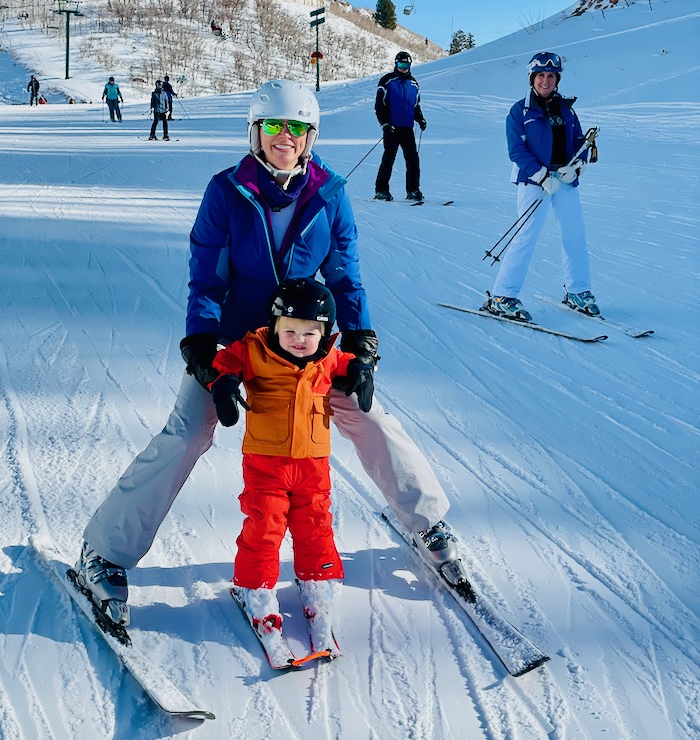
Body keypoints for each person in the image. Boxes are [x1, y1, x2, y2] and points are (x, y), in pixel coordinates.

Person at [74, 78, 459, 629]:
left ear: (311, 136)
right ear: (256, 131)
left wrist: (360, 344)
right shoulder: (227, 191)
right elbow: (205, 278)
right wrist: (205, 350)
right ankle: (104, 552)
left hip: (305, 344)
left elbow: (345, 275)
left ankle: (426, 522)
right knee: (186, 433)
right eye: (275, 126)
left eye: (298, 128)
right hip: (236, 343)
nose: (286, 137)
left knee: (365, 413)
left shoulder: (330, 193)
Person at [211, 279, 369, 649]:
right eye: (290, 331)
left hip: (313, 465)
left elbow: (345, 361)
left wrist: (359, 370)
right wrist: (224, 381)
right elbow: (227, 359)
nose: (299, 339)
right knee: (265, 526)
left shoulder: (328, 357)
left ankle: (317, 585)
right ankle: (256, 590)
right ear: (274, 327)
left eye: (310, 332)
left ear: (325, 332)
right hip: (266, 465)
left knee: (316, 526)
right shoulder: (255, 350)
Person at [482, 51, 599, 322]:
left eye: (551, 75)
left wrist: (576, 167)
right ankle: (502, 295)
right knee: (526, 236)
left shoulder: (567, 110)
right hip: (534, 182)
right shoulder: (519, 111)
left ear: (557, 79)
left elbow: (579, 141)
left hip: (565, 180)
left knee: (575, 235)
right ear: (532, 78)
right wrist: (541, 175)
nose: (545, 81)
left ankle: (578, 291)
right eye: (540, 76)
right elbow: (517, 150)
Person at [374, 51, 427, 202]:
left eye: (406, 65)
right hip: (392, 127)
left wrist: (420, 119)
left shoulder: (414, 84)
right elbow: (379, 105)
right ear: (396, 64)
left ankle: (413, 190)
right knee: (389, 158)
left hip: (407, 128)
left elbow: (415, 105)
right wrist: (384, 123)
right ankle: (381, 190)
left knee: (413, 159)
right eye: (400, 65)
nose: (403, 68)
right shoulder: (387, 81)